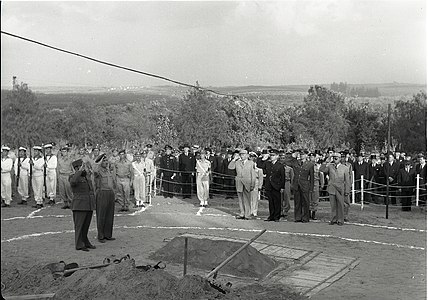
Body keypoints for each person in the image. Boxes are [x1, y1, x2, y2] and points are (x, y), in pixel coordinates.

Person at [69, 159, 96, 251]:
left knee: (86, 225)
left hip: (88, 204)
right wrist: (79, 171)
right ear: (77, 168)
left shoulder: (86, 177)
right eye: (82, 166)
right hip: (79, 205)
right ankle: (79, 244)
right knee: (79, 225)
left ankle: (85, 241)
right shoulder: (73, 176)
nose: (84, 168)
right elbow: (73, 182)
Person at [321, 153, 351, 226]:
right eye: (334, 158)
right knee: (333, 205)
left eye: (336, 158)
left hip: (340, 188)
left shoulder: (345, 168)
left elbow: (347, 180)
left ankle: (340, 220)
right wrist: (326, 162)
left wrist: (347, 190)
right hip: (332, 188)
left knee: (340, 205)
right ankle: (333, 219)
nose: (335, 159)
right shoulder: (330, 167)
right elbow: (321, 170)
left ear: (340, 159)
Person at [94, 153, 116, 243]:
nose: (106, 162)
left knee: (109, 215)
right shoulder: (97, 170)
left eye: (107, 161)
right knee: (101, 215)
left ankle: (108, 234)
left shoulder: (108, 170)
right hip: (102, 192)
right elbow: (94, 167)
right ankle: (101, 236)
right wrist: (99, 159)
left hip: (110, 193)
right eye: (104, 161)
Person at [228, 149, 257, 220]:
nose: (242, 156)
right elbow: (230, 167)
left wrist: (252, 184)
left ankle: (247, 214)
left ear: (247, 155)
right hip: (239, 182)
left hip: (247, 182)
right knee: (240, 199)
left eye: (243, 154)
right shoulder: (237, 162)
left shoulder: (251, 163)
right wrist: (234, 159)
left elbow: (253, 175)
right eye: (241, 154)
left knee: (247, 199)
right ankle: (242, 213)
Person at [263, 149, 285, 222]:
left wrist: (282, 187)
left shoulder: (280, 165)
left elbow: (282, 177)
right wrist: (263, 158)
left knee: (277, 201)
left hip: (276, 185)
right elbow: (260, 166)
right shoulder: (267, 164)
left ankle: (276, 216)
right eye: (271, 155)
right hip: (269, 185)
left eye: (273, 155)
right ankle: (271, 215)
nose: (271, 157)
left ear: (277, 156)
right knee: (271, 202)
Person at [292, 150, 314, 223]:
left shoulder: (310, 164)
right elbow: (287, 162)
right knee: (297, 201)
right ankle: (298, 217)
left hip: (305, 184)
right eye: (300, 154)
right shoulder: (296, 162)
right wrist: (293, 156)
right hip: (296, 184)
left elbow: (311, 177)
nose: (301, 155)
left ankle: (305, 217)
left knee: (305, 202)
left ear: (306, 155)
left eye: (303, 154)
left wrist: (311, 188)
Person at [249, 152, 264, 217]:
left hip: (255, 183)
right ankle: (248, 211)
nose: (252, 158)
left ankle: (254, 211)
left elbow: (261, 178)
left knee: (254, 198)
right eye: (251, 157)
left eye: (253, 157)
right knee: (248, 198)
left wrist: (260, 186)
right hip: (248, 183)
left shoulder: (259, 169)